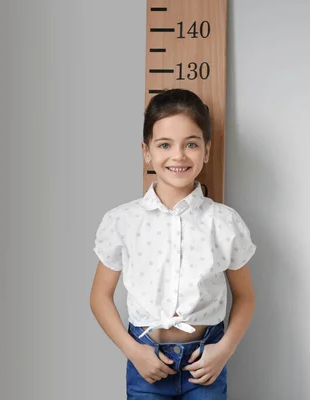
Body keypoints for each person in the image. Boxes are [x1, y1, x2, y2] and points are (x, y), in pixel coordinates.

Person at [89, 88, 256, 399]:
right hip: (146, 364)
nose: (178, 156)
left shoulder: (224, 222)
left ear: (207, 150)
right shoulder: (122, 221)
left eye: (191, 144)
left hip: (205, 365)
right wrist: (134, 353)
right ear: (146, 151)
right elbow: (99, 296)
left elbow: (245, 297)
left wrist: (224, 351)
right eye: (165, 144)